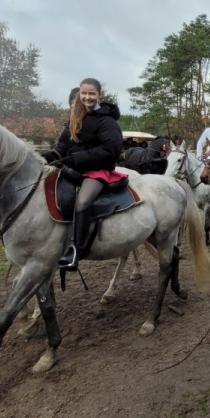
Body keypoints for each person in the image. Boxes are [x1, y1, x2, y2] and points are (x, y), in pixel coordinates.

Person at [43, 78, 125, 272]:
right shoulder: (75, 116)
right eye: (84, 93)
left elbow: (110, 150)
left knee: (82, 201)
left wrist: (77, 158)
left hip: (97, 170)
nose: (87, 97)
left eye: (91, 93)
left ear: (99, 95)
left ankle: (75, 250)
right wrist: (48, 156)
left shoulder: (107, 121)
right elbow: (63, 146)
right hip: (74, 167)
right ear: (79, 94)